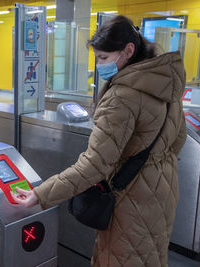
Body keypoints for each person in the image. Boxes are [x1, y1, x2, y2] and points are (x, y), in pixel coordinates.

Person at [11, 15, 187, 267]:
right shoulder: (166, 84)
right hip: (164, 193)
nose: (99, 64)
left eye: (104, 57)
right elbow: (178, 140)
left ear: (128, 50)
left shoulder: (122, 96)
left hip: (130, 201)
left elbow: (94, 165)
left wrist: (40, 194)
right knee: (152, 257)